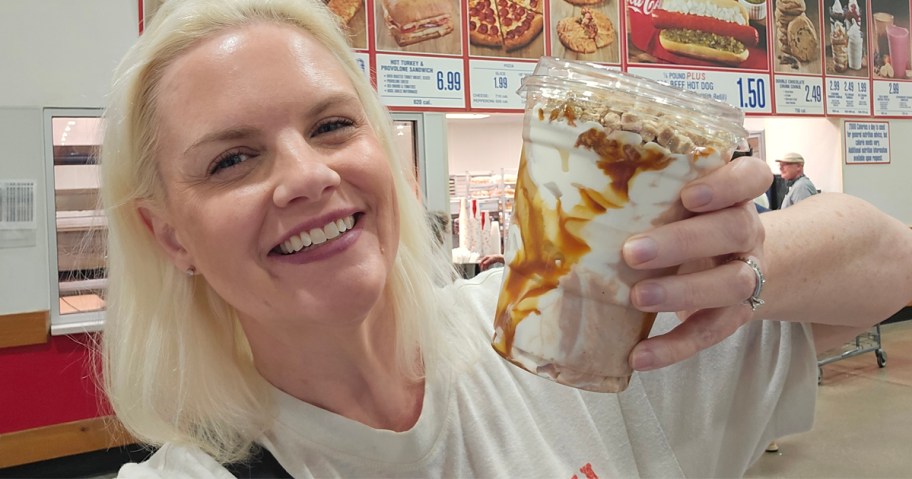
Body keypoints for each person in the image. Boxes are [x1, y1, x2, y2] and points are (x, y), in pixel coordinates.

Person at [98, 1, 912, 477]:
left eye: (333, 125)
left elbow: (890, 263)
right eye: (232, 159)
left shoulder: (558, 338)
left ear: (395, 161)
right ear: (169, 235)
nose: (307, 175)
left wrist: (744, 260)